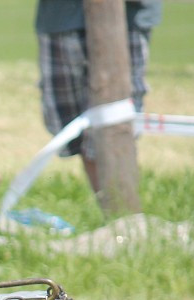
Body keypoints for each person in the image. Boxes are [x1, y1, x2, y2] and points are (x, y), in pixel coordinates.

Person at [35, 0, 162, 191]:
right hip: (61, 15)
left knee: (120, 121)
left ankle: (123, 212)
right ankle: (112, 212)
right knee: (73, 126)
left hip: (129, 16)